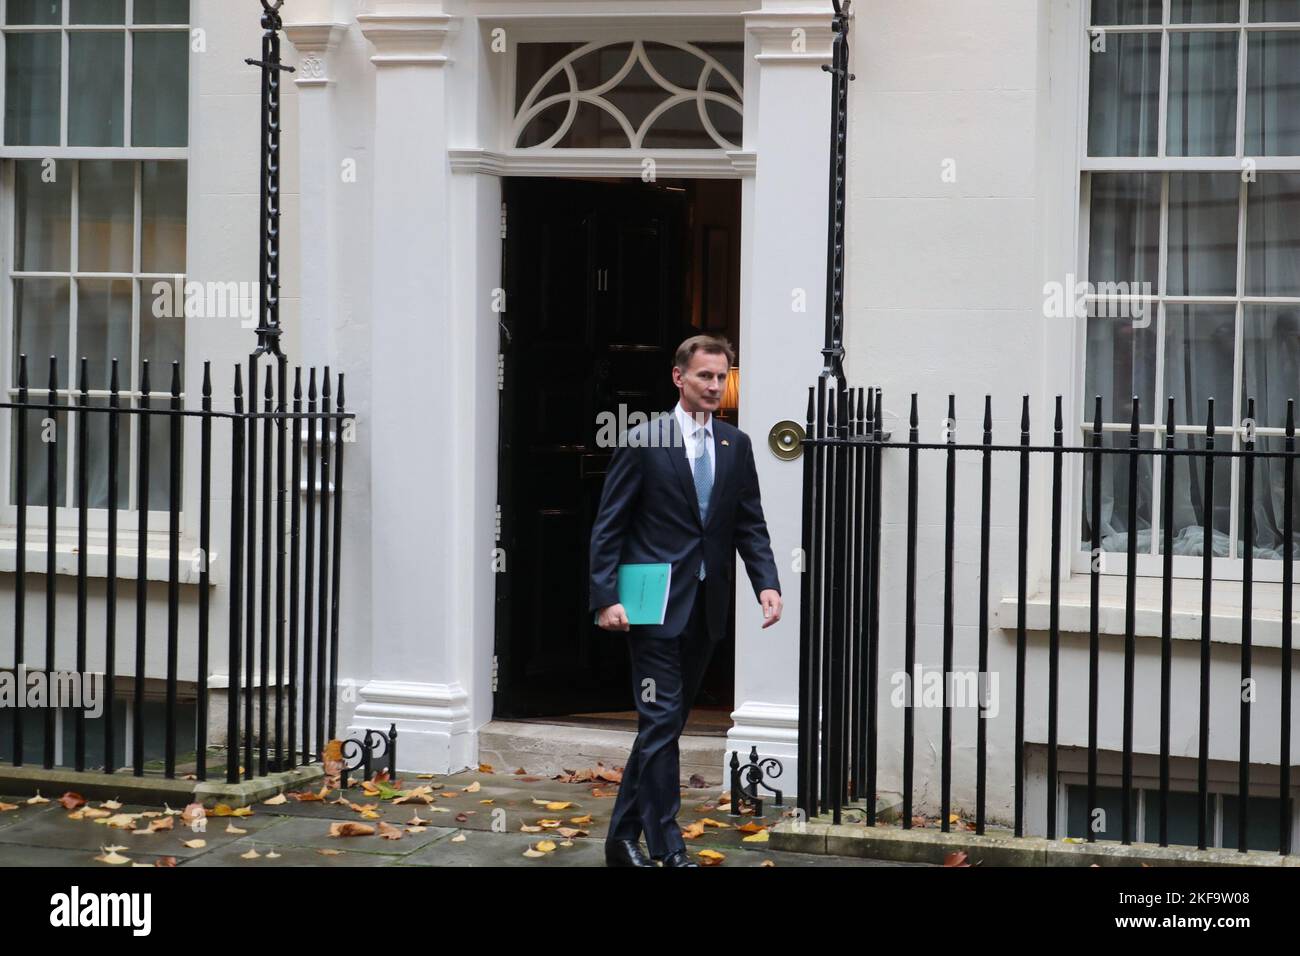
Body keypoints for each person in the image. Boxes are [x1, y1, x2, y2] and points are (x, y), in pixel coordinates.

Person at [589, 334, 782, 867]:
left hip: (706, 608)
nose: (715, 386)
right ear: (679, 378)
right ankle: (669, 846)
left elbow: (750, 523)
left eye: (721, 377)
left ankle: (620, 840)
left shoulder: (734, 445)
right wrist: (605, 597)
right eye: (704, 376)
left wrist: (766, 582)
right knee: (660, 721)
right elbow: (610, 525)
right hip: (651, 609)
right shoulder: (644, 439)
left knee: (664, 725)